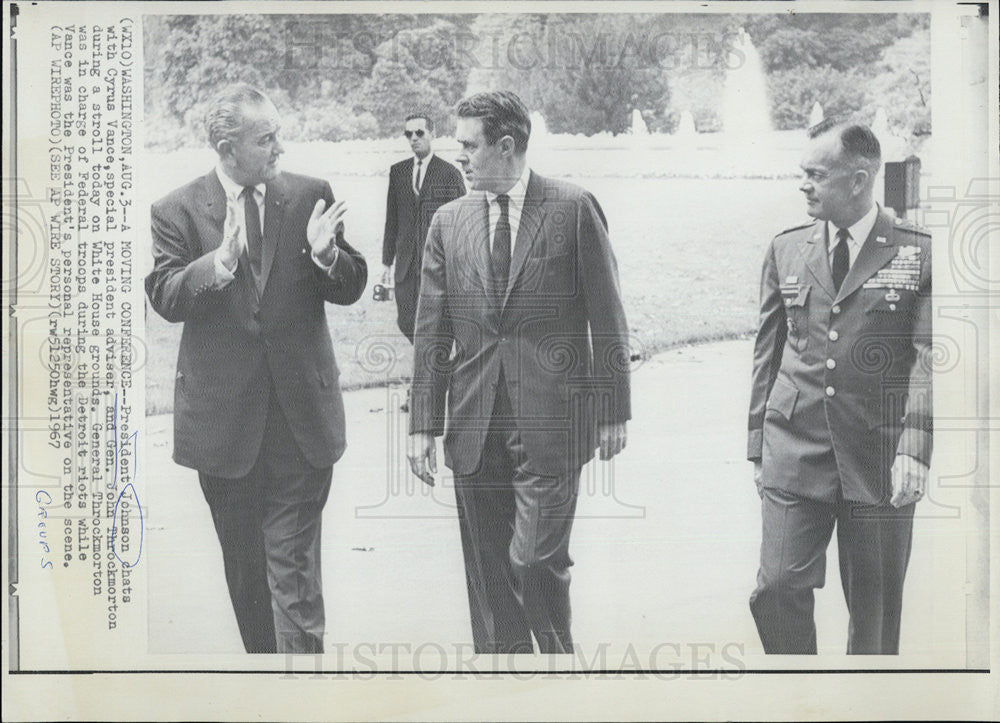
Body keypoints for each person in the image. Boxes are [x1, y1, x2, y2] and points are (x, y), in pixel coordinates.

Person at [145, 83, 367, 654]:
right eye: (267, 139)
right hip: (223, 431)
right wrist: (214, 267)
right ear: (227, 147)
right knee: (246, 577)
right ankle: (270, 684)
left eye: (278, 134)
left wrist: (326, 257)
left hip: (301, 422)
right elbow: (166, 296)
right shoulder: (177, 210)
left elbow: (351, 284)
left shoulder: (311, 194)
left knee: (293, 573)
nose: (280, 149)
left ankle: (302, 688)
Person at [407, 91, 631, 654]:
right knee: (489, 583)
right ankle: (504, 689)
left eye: (468, 145)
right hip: (474, 424)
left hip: (554, 422)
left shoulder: (573, 208)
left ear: (506, 146)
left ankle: (557, 668)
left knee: (533, 561)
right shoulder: (447, 221)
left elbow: (607, 315)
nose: (458, 156)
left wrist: (612, 411)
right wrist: (421, 424)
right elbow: (431, 332)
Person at [747, 120, 932, 655]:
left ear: (857, 180)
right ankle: (798, 697)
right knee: (776, 590)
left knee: (874, 614)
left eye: (816, 175)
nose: (804, 185)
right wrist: (758, 444)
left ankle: (863, 704)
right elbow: (767, 352)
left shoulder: (916, 253)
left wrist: (914, 450)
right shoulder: (786, 249)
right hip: (794, 448)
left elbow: (930, 362)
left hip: (878, 451)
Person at [382, 112, 466, 343]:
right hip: (406, 265)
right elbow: (392, 219)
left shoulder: (450, 174)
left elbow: (459, 224)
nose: (414, 138)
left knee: (438, 325)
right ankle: (428, 362)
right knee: (406, 321)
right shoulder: (398, 172)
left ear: (433, 134)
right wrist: (386, 262)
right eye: (408, 134)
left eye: (419, 133)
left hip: (437, 264)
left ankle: (435, 370)